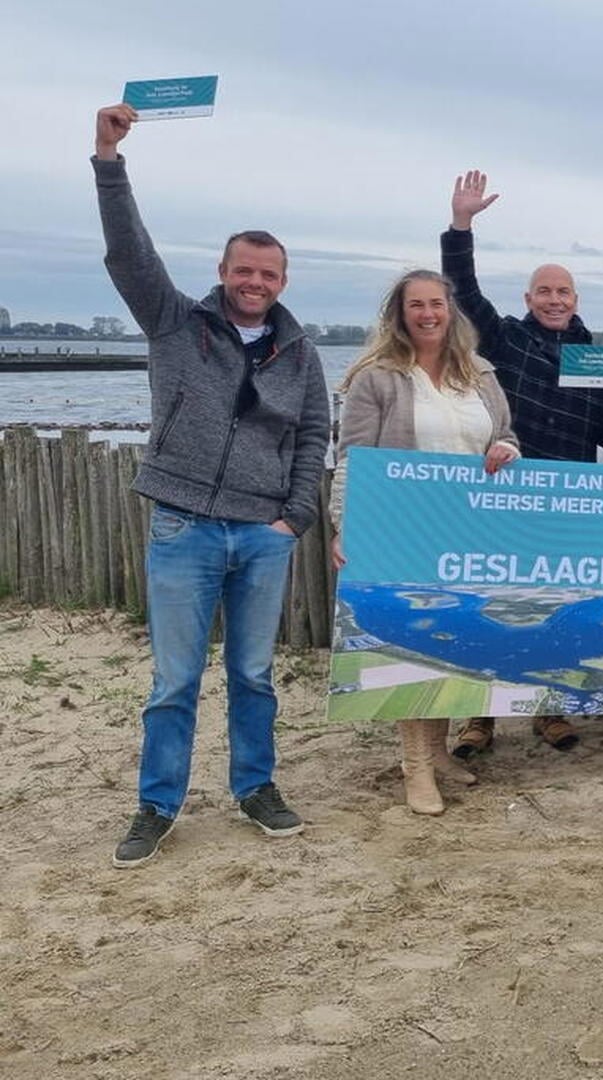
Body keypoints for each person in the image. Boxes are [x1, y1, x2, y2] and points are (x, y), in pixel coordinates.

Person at [92, 104, 330, 868]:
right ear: (224, 273)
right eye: (243, 270)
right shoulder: (173, 322)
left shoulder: (300, 353)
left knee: (255, 674)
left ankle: (256, 788)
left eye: (268, 273)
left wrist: (295, 518)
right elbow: (129, 254)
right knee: (175, 679)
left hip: (264, 534)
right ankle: (157, 804)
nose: (254, 282)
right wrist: (108, 159)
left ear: (282, 280)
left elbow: (314, 438)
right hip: (183, 524)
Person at [440, 169, 603, 756]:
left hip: (565, 498)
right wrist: (461, 225)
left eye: (564, 292)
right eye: (544, 292)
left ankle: (549, 711)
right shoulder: (503, 340)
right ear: (529, 300)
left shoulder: (597, 358)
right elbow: (462, 292)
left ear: (576, 301)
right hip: (504, 488)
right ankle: (478, 717)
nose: (554, 300)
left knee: (555, 607)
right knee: (487, 602)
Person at [329, 271, 521, 814]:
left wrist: (506, 450)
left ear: (450, 310)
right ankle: (415, 767)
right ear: (400, 312)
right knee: (413, 642)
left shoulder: (480, 374)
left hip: (469, 530)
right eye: (417, 305)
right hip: (402, 527)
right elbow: (353, 457)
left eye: (436, 303)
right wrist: (345, 523)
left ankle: (436, 753)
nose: (428, 313)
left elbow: (504, 434)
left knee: (451, 638)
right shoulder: (376, 377)